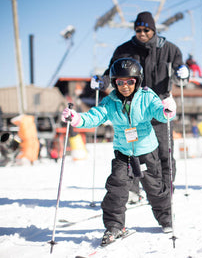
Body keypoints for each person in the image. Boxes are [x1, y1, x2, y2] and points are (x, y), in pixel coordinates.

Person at [62, 58, 177, 246]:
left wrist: (167, 110)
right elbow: (94, 116)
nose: (125, 86)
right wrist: (76, 119)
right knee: (116, 188)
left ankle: (166, 218)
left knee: (155, 188)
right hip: (124, 153)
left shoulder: (147, 96)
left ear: (137, 81)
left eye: (129, 81)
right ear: (115, 83)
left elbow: (158, 111)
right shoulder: (110, 102)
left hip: (146, 151)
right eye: (120, 82)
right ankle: (114, 225)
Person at [102, 11, 190, 203]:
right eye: (138, 30)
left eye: (146, 30)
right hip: (132, 112)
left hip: (158, 108)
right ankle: (133, 190)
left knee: (164, 151)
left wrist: (183, 74)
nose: (141, 33)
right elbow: (111, 74)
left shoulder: (169, 49)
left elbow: (179, 75)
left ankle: (166, 189)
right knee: (131, 151)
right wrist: (101, 81)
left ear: (153, 29)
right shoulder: (123, 50)